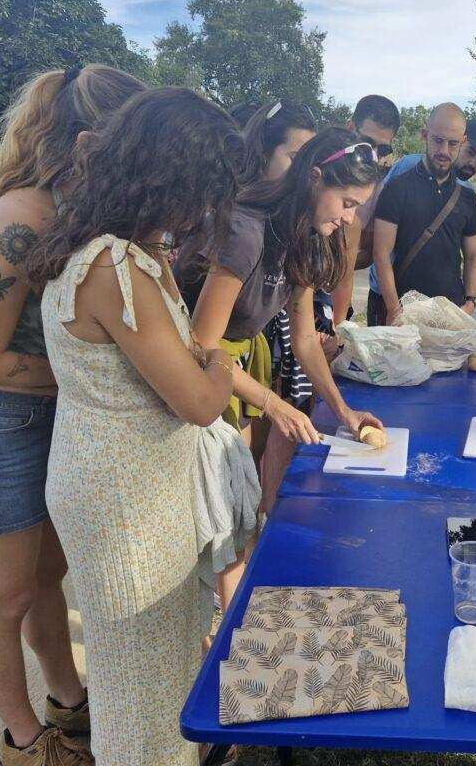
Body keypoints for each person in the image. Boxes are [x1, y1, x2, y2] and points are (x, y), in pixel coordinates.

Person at [0, 65, 145, 766]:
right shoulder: (26, 217)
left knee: (47, 577)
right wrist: (94, 375)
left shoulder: (78, 210)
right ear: (86, 143)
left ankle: (68, 701)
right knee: (7, 595)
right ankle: (24, 743)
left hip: (48, 418)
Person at [25, 87, 245, 766]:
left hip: (132, 488)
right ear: (166, 178)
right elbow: (200, 399)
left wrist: (202, 360)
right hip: (125, 504)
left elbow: (186, 363)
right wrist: (217, 362)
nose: (202, 211)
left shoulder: (116, 251)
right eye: (200, 192)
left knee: (155, 666)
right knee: (139, 684)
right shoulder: (115, 266)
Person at [182, 127, 385, 605]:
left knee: (238, 502)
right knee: (214, 509)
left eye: (358, 207)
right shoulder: (247, 232)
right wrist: (274, 405)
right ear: (314, 178)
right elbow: (201, 344)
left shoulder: (302, 235)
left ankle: (232, 607)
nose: (350, 217)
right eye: (347, 203)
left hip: (234, 367)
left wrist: (343, 411)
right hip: (196, 376)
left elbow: (305, 340)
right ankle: (222, 618)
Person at [365, 116, 476, 320]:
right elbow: (380, 244)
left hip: (448, 309)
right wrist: (390, 304)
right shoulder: (406, 169)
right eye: (471, 152)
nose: (473, 163)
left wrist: (470, 302)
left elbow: (472, 255)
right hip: (397, 303)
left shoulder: (467, 193)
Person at [329, 95, 401, 324]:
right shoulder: (320, 165)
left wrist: (342, 255)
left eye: (383, 149)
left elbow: (369, 252)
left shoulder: (379, 185)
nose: (373, 156)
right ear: (350, 127)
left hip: (336, 298)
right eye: (367, 143)